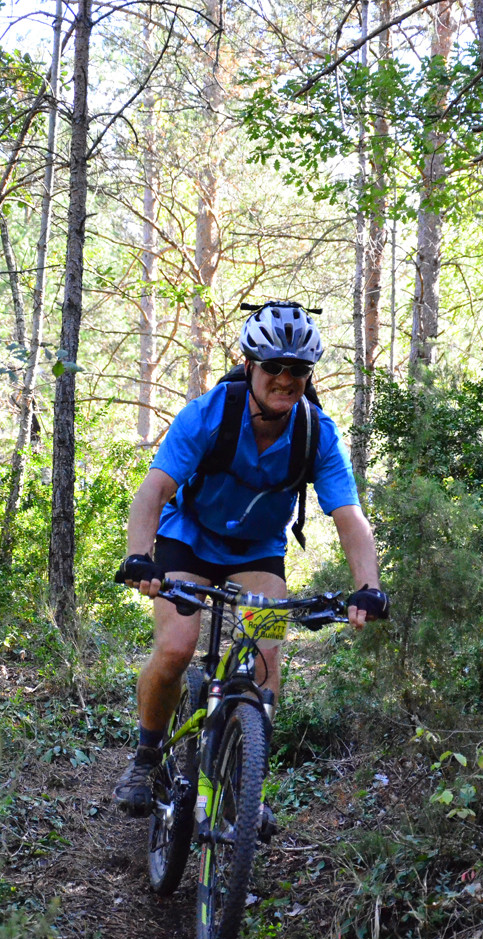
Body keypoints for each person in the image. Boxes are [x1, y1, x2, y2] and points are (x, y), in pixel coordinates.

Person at [114, 300, 388, 817]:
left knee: (265, 659)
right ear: (249, 365)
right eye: (273, 366)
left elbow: (350, 518)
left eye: (298, 370)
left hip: (258, 552)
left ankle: (245, 786)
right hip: (188, 539)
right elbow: (153, 491)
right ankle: (146, 757)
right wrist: (139, 557)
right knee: (176, 648)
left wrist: (368, 587)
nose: (285, 379)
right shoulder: (209, 414)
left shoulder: (316, 433)